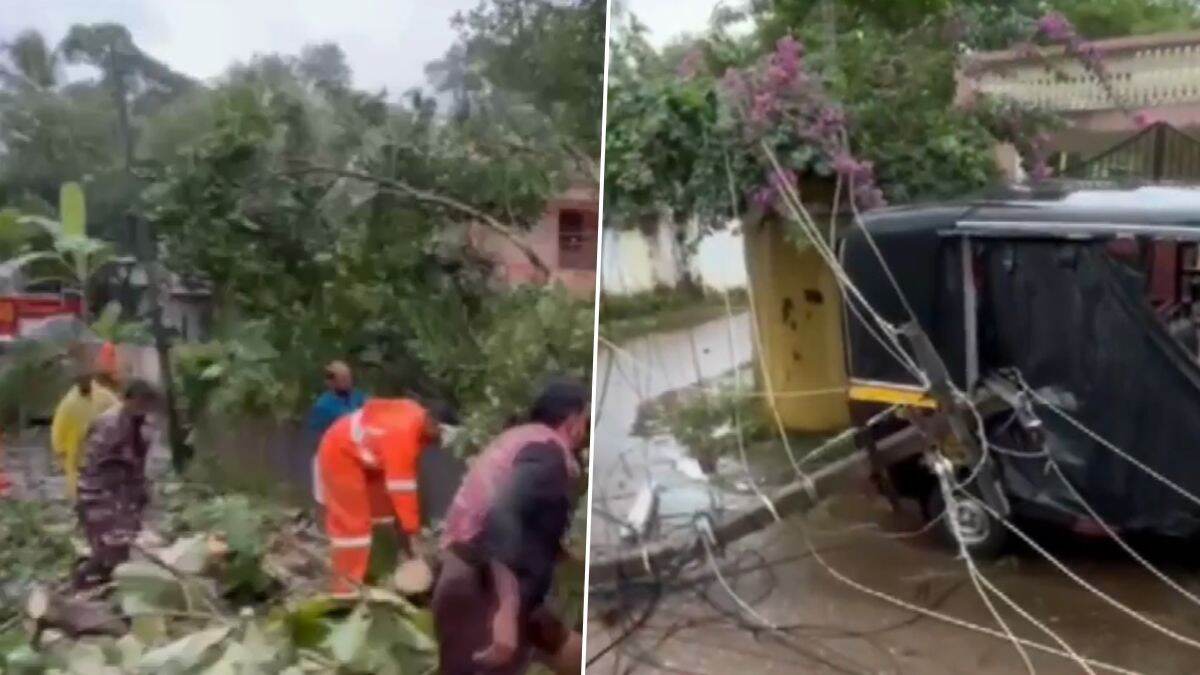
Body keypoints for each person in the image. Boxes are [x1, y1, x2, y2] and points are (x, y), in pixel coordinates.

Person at [433, 378, 590, 675]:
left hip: (483, 579)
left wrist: (562, 555)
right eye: (585, 419)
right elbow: (501, 514)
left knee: (570, 652)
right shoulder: (547, 455)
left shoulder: (520, 441)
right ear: (572, 421)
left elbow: (519, 518)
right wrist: (506, 610)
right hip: (482, 592)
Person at [315, 396, 444, 597]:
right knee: (353, 528)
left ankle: (378, 573)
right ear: (432, 422)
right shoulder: (403, 432)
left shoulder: (417, 423)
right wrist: (413, 532)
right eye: (441, 433)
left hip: (370, 460)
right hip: (341, 453)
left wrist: (409, 541)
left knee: (382, 518)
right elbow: (401, 487)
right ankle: (346, 590)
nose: (440, 441)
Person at [73, 380, 161, 589]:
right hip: (99, 493)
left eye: (147, 404)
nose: (144, 408)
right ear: (128, 400)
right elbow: (93, 463)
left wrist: (140, 490)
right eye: (140, 403)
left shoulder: (142, 424)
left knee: (125, 544)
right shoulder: (109, 424)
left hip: (125, 494)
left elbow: (139, 462)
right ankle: (82, 580)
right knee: (107, 547)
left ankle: (112, 586)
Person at [51, 372, 120, 498]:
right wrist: (60, 451)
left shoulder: (102, 395)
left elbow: (118, 409)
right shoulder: (69, 404)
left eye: (88, 381)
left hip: (101, 450)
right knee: (80, 490)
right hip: (78, 453)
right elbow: (58, 430)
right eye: (82, 382)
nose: (86, 385)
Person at [307, 361, 366, 507]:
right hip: (332, 455)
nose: (348, 382)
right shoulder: (323, 406)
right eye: (343, 379)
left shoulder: (360, 398)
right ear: (331, 382)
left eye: (349, 378)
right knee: (326, 497)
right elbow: (316, 435)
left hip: (357, 455)